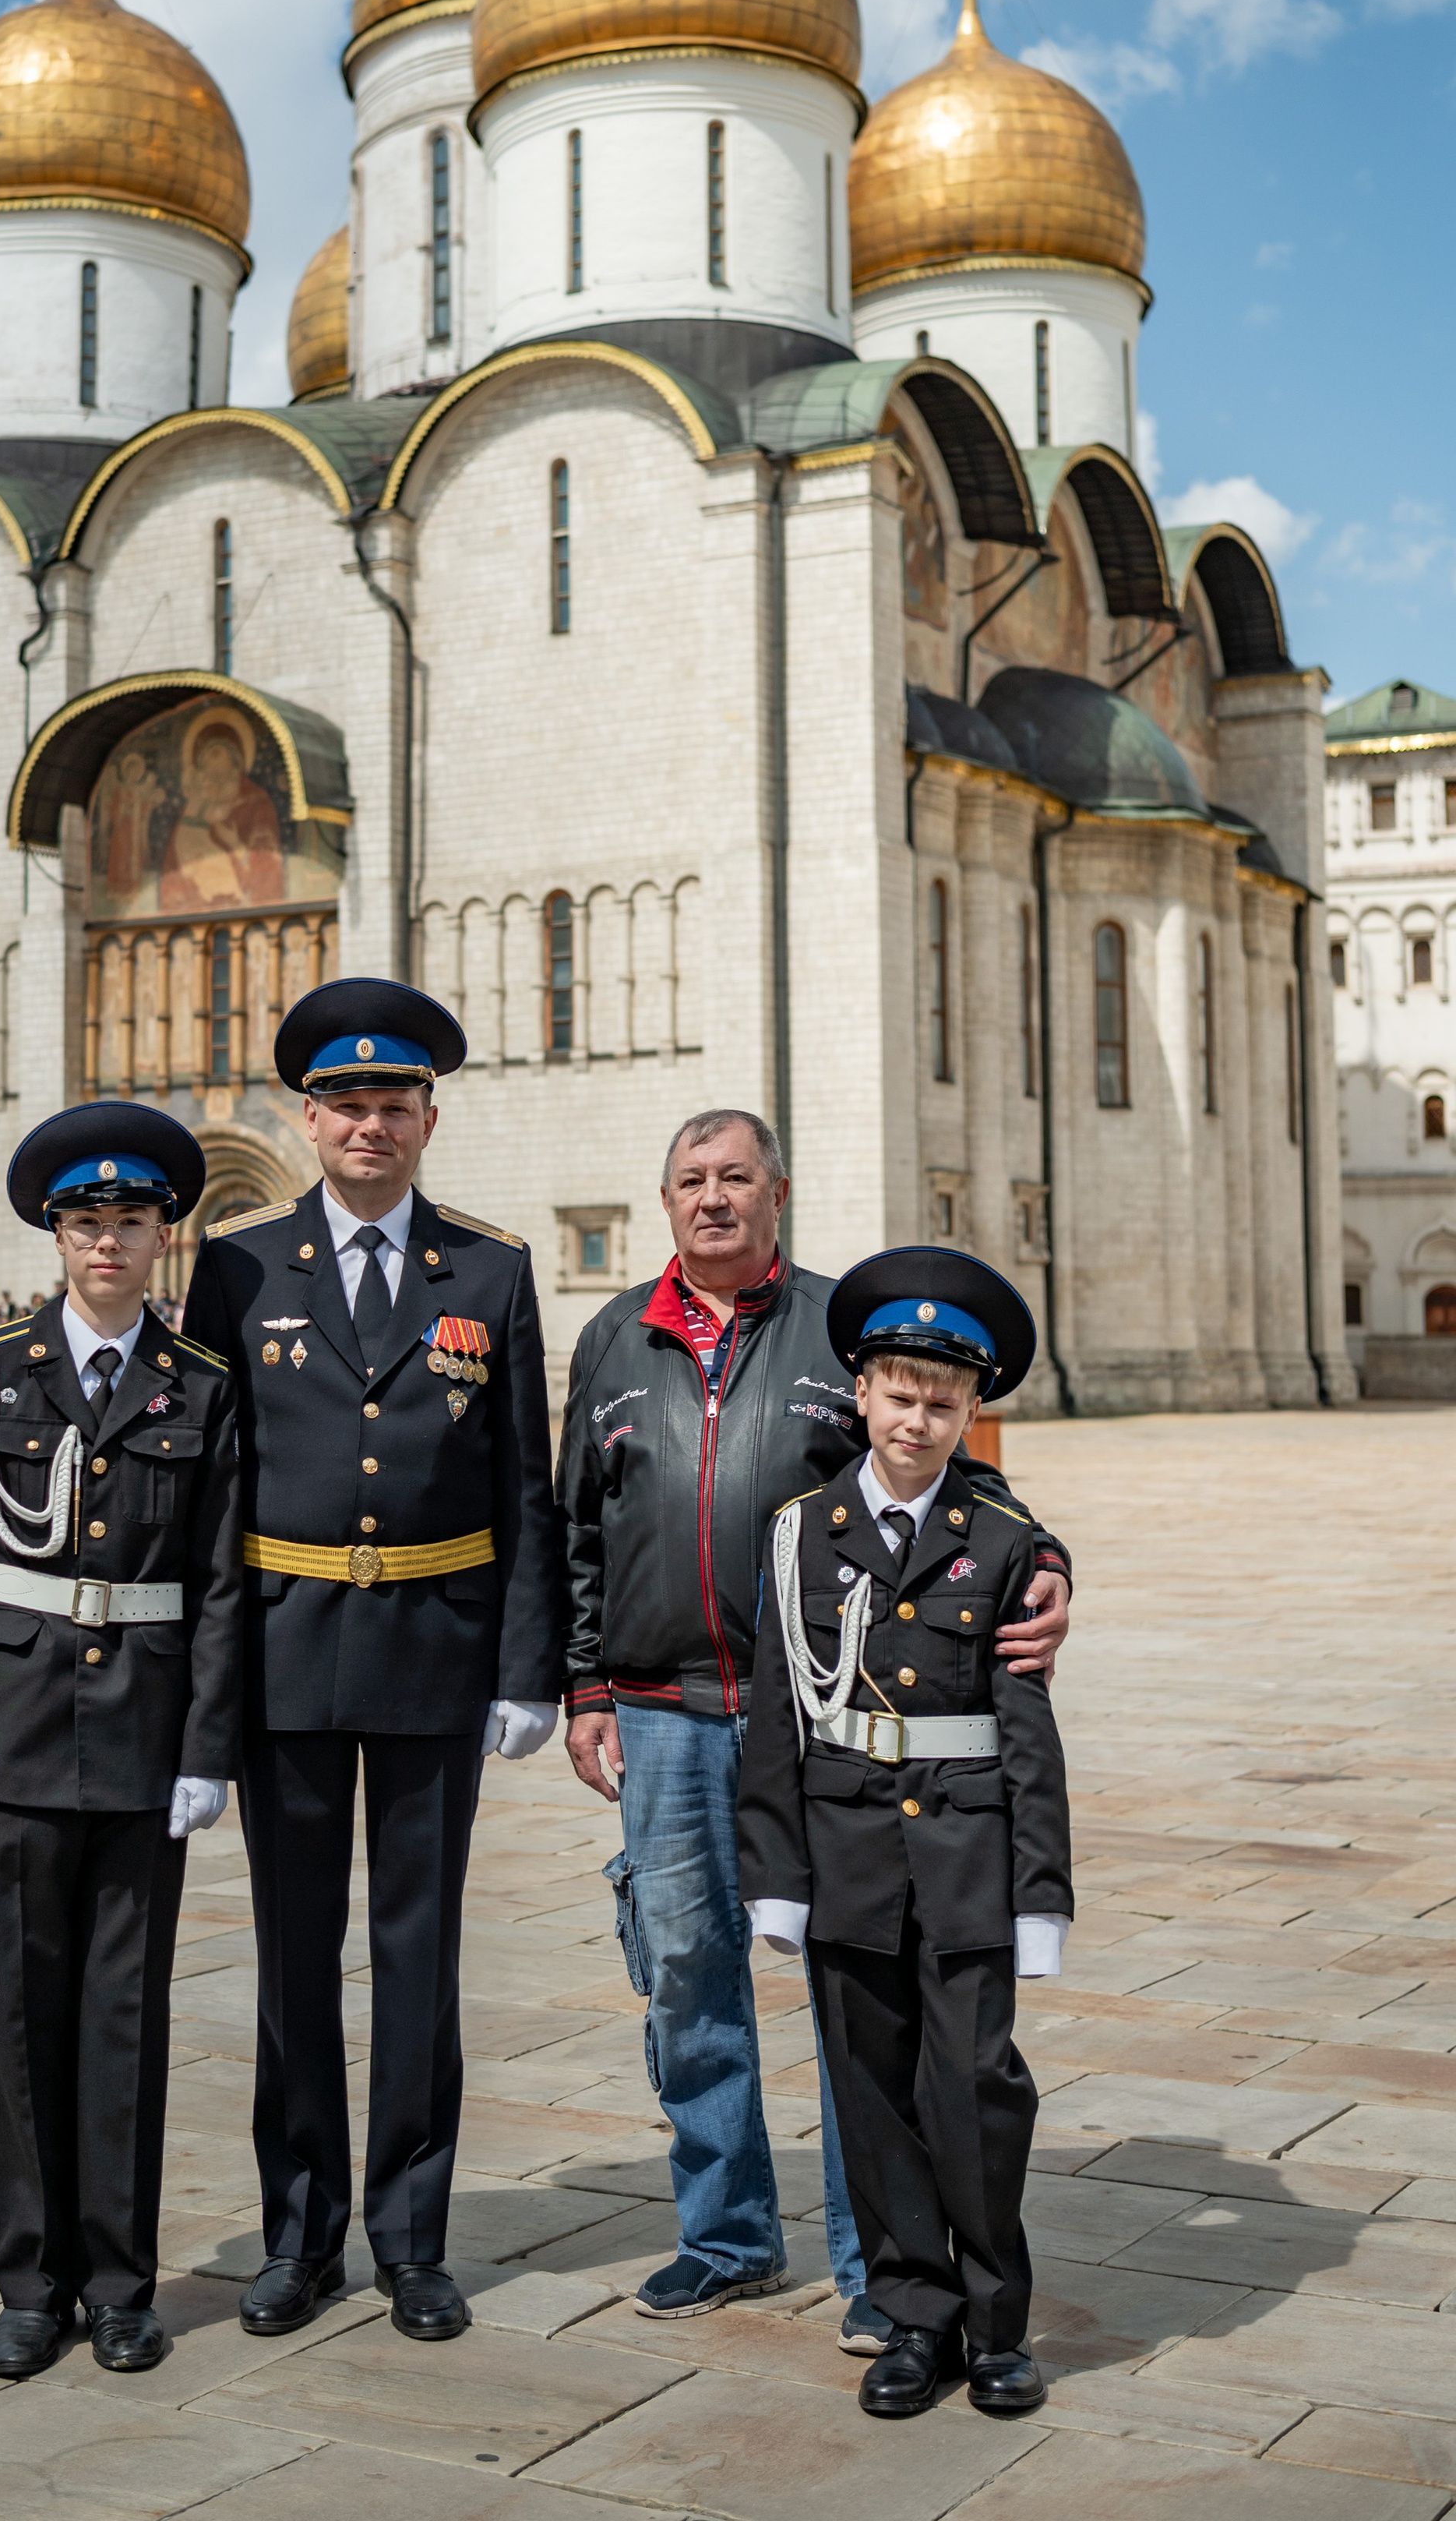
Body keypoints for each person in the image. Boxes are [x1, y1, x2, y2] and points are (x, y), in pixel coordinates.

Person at [558, 1110, 1070, 2342]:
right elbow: (575, 1526)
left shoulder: (843, 1330)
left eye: (738, 1177)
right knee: (688, 1980)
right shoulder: (612, 1337)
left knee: (861, 1991)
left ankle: (871, 2261)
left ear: (778, 1194)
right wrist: (580, 1685)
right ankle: (725, 2235)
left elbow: (952, 1474)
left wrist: (1044, 1553)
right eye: (692, 1180)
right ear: (664, 1198)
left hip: (824, 1727)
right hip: (663, 1713)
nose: (715, 1198)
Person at [182, 979, 562, 2347]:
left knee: (417, 1955)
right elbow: (209, 1490)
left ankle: (412, 2237)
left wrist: (531, 1666)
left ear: (428, 1119)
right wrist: (203, 1689)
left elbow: (528, 1483)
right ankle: (298, 2236)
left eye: (393, 1103)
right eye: (345, 1102)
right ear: (309, 1115)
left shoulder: (494, 1266)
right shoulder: (236, 1265)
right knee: (293, 1960)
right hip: (283, 1660)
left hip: (433, 1658)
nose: (368, 1123)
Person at [0, 1103, 242, 2382]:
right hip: (18, 1728)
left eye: (133, 1221)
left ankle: (120, 2279)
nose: (110, 1240)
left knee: (124, 2014)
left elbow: (214, 1580)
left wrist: (207, 1747)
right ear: (57, 1234)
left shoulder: (199, 1386)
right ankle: (32, 2279)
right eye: (87, 1221)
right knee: (21, 2014)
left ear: (165, 1235)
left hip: (147, 1736)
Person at [739, 1249, 1071, 2421]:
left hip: (971, 1858)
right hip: (846, 1858)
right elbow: (778, 1716)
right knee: (871, 2094)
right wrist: (774, 1877)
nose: (919, 1418)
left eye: (944, 1400)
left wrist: (1042, 1897)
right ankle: (911, 2316)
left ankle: (996, 2326)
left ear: (972, 1411)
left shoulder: (1006, 1538)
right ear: (862, 1394)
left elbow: (1028, 1730)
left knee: (976, 2088)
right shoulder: (801, 1533)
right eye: (900, 1393)